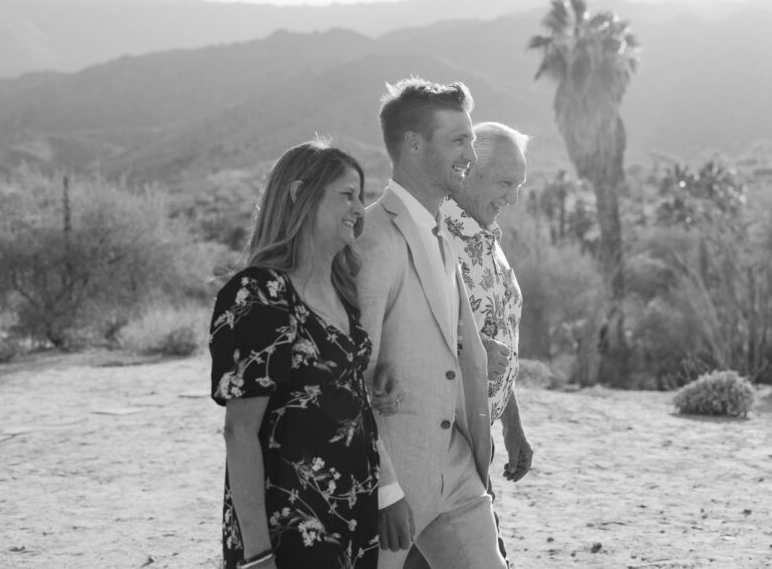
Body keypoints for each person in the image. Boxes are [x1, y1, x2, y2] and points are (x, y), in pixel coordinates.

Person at [209, 139, 399, 569]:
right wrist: (257, 555)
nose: (359, 207)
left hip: (353, 513)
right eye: (346, 195)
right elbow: (240, 432)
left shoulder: (343, 291)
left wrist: (372, 382)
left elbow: (333, 394)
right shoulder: (260, 293)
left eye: (362, 196)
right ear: (298, 195)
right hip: (291, 523)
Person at [357, 77, 507, 569]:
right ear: (414, 145)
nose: (471, 153)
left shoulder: (439, 230)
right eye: (458, 140)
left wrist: (477, 346)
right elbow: (358, 371)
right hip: (398, 470)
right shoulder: (375, 238)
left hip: (457, 460)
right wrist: (384, 488)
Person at [439, 121, 534, 559]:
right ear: (471, 170)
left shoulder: (488, 236)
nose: (514, 197)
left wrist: (512, 427)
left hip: (479, 436)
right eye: (506, 182)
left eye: (520, 184)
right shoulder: (436, 235)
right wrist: (472, 346)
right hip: (444, 441)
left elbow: (500, 340)